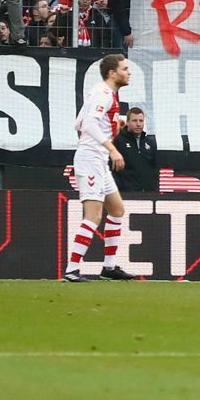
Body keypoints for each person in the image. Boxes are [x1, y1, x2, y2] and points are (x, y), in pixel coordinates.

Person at [65, 54, 136, 282]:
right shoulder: (103, 94)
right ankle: (72, 269)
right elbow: (88, 124)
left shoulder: (104, 94)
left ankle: (109, 267)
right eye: (125, 69)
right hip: (91, 159)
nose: (128, 72)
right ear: (112, 73)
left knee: (116, 210)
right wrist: (111, 147)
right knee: (93, 216)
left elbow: (79, 122)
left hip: (97, 159)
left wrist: (115, 123)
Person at [114, 108, 158, 193]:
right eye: (134, 121)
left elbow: (155, 169)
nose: (138, 124)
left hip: (149, 194)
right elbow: (114, 169)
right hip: (126, 194)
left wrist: (154, 189)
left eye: (141, 121)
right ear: (127, 122)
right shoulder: (119, 141)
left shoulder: (150, 142)